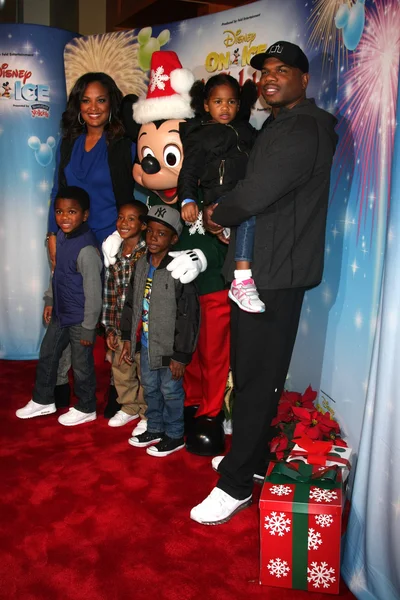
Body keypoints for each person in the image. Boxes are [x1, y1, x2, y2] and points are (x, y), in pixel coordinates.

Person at [190, 41, 338, 524]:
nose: (269, 78)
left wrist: (220, 211)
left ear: (303, 79)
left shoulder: (304, 128)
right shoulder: (280, 124)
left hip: (274, 273)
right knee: (254, 373)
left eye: (281, 70)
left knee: (255, 379)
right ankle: (251, 463)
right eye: (264, 71)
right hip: (263, 267)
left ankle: (234, 486)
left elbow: (259, 191)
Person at [46, 72, 136, 413]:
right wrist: (52, 235)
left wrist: (127, 240)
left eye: (101, 100)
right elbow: (57, 192)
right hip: (71, 240)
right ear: (78, 106)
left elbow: (129, 198)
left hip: (110, 241)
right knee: (69, 314)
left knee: (113, 317)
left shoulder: (122, 146)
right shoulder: (67, 143)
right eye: (86, 100)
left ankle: (119, 389)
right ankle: (59, 385)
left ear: (111, 103)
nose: (93, 107)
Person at [16, 186, 103, 426]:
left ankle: (86, 407)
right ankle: (43, 400)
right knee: (47, 354)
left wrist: (88, 327)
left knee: (81, 365)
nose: (64, 217)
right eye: (59, 211)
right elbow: (58, 273)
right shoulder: (62, 236)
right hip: (61, 313)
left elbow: (94, 294)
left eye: (71, 212)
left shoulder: (86, 248)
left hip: (80, 319)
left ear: (85, 215)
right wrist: (51, 301)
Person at [178, 74, 264, 314]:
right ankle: (242, 281)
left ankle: (232, 231)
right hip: (221, 195)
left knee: (254, 213)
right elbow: (188, 170)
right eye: (218, 102)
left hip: (245, 191)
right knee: (246, 213)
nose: (225, 107)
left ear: (239, 104)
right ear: (206, 105)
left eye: (231, 102)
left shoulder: (245, 130)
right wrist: (188, 199)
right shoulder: (199, 134)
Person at [120, 205, 200, 457]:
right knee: (150, 388)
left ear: (174, 238)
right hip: (146, 344)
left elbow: (188, 317)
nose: (153, 238)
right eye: (150, 231)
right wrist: (126, 338)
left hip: (169, 348)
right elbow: (131, 303)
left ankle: (175, 434)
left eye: (161, 233)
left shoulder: (179, 271)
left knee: (170, 391)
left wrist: (181, 355)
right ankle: (154, 427)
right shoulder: (141, 264)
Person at [101, 200, 148, 430]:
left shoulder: (148, 252)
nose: (124, 223)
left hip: (142, 327)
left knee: (145, 370)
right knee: (121, 370)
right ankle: (129, 406)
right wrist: (109, 328)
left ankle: (148, 413)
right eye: (121, 217)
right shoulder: (114, 253)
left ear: (142, 225)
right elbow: (110, 293)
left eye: (131, 219)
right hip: (120, 325)